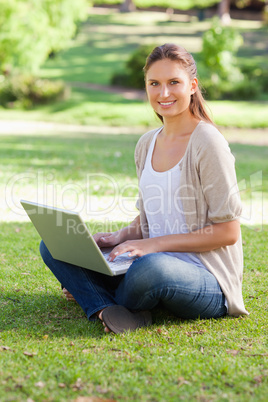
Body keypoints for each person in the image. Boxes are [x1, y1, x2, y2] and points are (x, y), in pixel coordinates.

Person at [40, 43, 248, 334]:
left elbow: (228, 232)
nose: (164, 93)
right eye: (155, 84)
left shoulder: (208, 143)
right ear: (146, 87)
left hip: (205, 279)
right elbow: (154, 217)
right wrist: (120, 236)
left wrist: (152, 246)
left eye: (174, 82)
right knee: (56, 244)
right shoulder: (146, 144)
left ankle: (94, 295)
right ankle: (110, 307)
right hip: (148, 262)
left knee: (148, 269)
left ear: (192, 86)